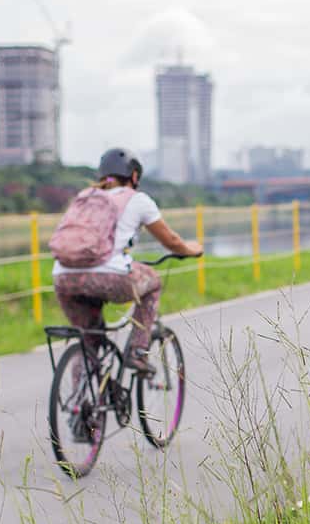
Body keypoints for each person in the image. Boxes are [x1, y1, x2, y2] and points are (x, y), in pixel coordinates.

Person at [51, 148, 203, 375]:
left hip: (64, 278)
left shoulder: (85, 197)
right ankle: (138, 351)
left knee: (89, 342)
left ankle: (81, 396)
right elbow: (170, 241)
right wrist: (192, 249)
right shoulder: (138, 200)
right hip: (109, 275)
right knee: (153, 281)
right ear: (134, 176)